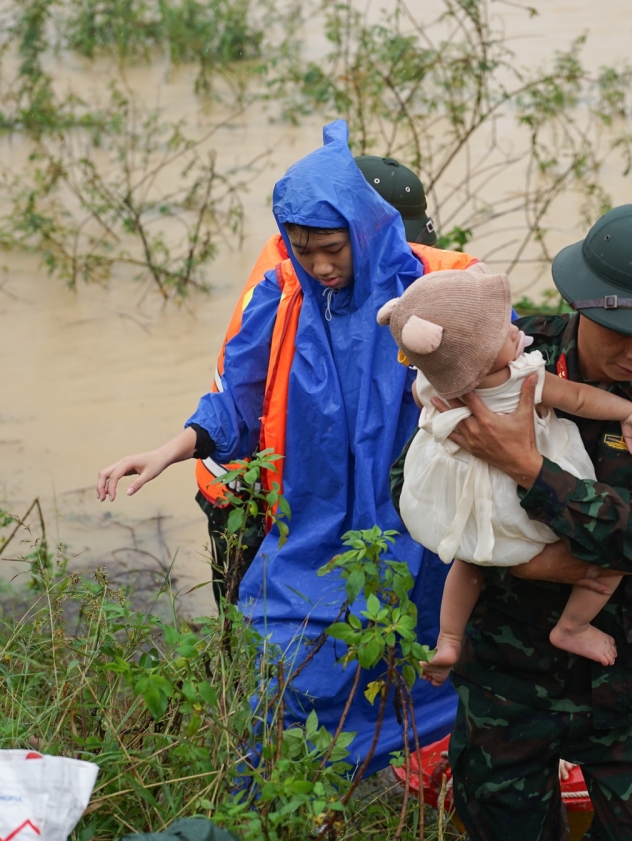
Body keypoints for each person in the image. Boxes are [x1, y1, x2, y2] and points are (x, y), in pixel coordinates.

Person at [96, 121, 457, 775]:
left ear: (367, 228)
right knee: (280, 662)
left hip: (406, 522)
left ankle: (395, 785)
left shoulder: (428, 298)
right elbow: (233, 401)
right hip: (307, 524)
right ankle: (289, 793)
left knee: (414, 657)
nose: (319, 264)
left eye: (332, 249)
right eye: (302, 246)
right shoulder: (283, 296)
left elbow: (500, 367)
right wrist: (165, 450)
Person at [390, 203, 632, 840]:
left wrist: (523, 465)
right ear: (584, 305)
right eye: (620, 330)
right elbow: (412, 483)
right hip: (508, 673)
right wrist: (533, 558)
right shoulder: (503, 351)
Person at [195, 155, 475, 605]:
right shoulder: (287, 283)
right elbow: (244, 400)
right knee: (257, 614)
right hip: (241, 483)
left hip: (317, 483)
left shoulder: (418, 277)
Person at [378, 266, 632, 679]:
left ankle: (449, 640)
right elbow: (579, 398)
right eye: (504, 334)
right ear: (479, 357)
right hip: (523, 499)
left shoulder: (435, 382)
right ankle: (573, 625)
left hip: (466, 499)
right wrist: (629, 411)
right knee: (610, 559)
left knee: (469, 562)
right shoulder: (522, 377)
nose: (516, 331)